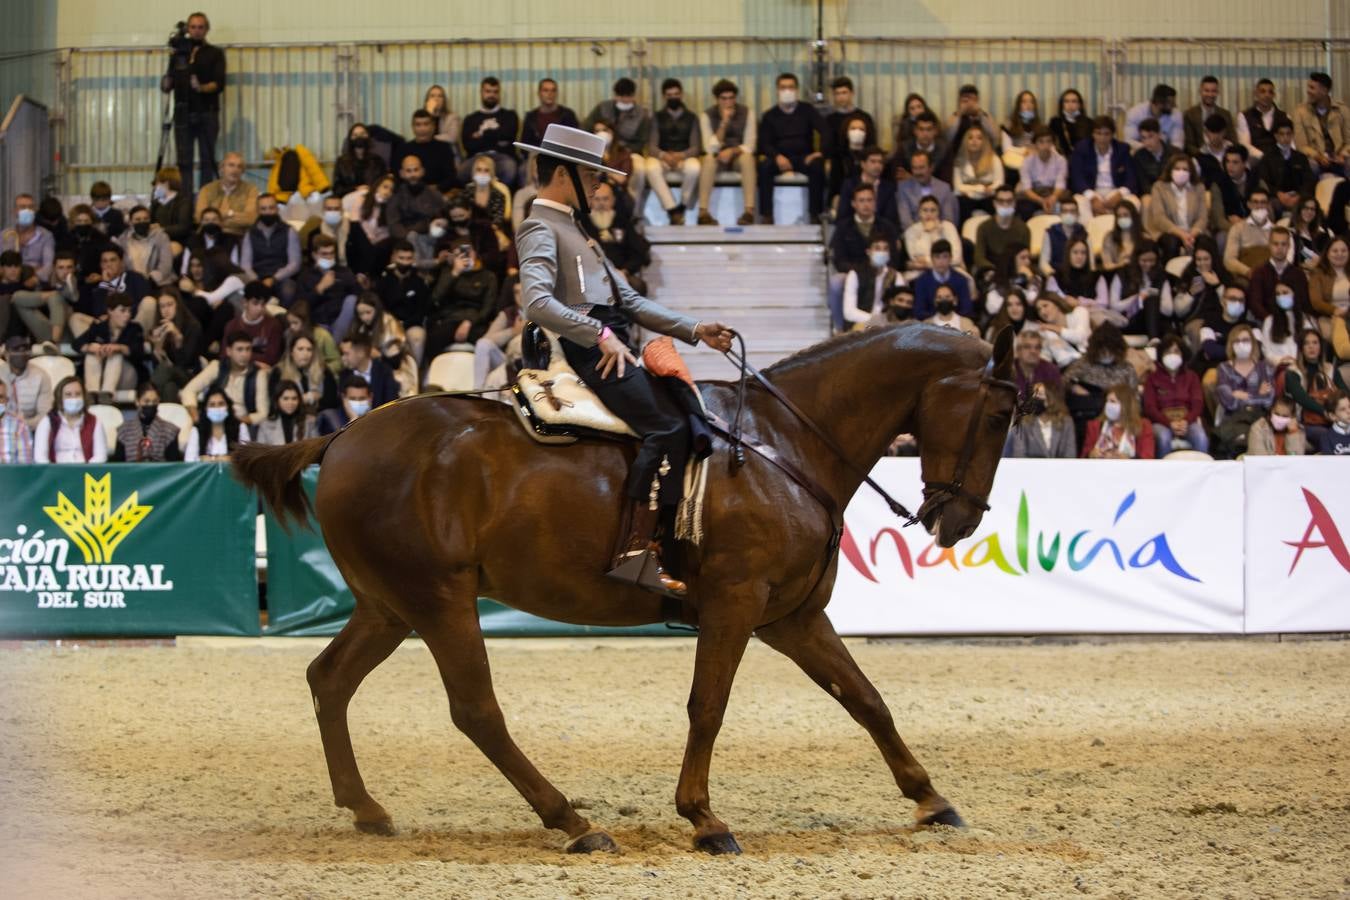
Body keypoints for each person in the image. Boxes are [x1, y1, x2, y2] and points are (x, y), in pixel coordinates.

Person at [513, 123, 734, 596]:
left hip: (612, 341)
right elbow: (535, 302)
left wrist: (695, 329)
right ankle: (636, 554)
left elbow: (629, 300)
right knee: (668, 427)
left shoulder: (577, 229)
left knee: (684, 411)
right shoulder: (540, 227)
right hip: (589, 349)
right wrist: (599, 333)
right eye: (592, 174)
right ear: (563, 174)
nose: (599, 183)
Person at [159, 12, 224, 191]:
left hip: (207, 111)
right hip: (182, 113)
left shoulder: (215, 53)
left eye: (200, 27)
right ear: (188, 28)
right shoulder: (178, 55)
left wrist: (201, 88)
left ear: (207, 29)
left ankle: (205, 200)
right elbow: (168, 84)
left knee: (207, 159)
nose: (196, 31)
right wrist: (166, 82)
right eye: (193, 27)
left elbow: (219, 83)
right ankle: (185, 201)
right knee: (184, 161)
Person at [756, 73, 828, 224]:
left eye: (790, 87)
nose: (787, 91)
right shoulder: (769, 115)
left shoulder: (807, 110)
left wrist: (819, 153)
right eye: (783, 87)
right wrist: (777, 156)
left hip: (804, 158)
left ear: (797, 90)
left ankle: (815, 214)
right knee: (764, 168)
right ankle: (767, 214)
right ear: (777, 90)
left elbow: (826, 130)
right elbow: (764, 143)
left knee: (817, 167)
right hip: (779, 158)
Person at [826, 184, 897, 331]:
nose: (866, 204)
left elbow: (895, 256)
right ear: (853, 203)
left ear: (875, 202)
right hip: (854, 272)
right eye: (862, 200)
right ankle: (841, 328)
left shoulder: (887, 226)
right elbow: (839, 260)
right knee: (836, 282)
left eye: (869, 200)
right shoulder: (843, 227)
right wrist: (861, 272)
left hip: (883, 271)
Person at [696, 79, 757, 227]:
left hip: (738, 156)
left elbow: (750, 145)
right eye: (724, 99)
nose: (728, 102)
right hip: (718, 157)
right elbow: (709, 148)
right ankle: (703, 212)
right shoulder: (707, 115)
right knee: (709, 159)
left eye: (731, 98)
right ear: (717, 99)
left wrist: (732, 150)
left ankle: (749, 211)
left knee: (748, 158)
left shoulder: (747, 113)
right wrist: (723, 123)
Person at [583, 78, 652, 203]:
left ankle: (632, 204)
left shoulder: (642, 115)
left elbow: (642, 141)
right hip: (601, 151)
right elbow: (585, 128)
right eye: (621, 96)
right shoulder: (602, 108)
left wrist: (625, 150)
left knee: (640, 169)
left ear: (633, 95)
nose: (624, 100)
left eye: (628, 96)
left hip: (629, 152)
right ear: (615, 95)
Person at [644, 79, 702, 226]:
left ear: (681, 95)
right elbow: (652, 146)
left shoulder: (692, 117)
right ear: (664, 97)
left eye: (676, 94)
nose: (673, 97)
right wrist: (664, 155)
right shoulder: (657, 117)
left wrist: (681, 155)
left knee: (694, 168)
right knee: (650, 168)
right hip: (662, 156)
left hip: (684, 156)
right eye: (669, 95)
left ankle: (682, 205)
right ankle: (672, 209)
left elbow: (696, 147)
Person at [182, 330, 270, 427]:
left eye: (248, 349)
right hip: (212, 419)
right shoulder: (217, 367)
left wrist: (236, 423)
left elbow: (263, 413)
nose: (244, 354)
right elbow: (188, 390)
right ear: (229, 351)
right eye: (240, 349)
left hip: (242, 423)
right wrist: (195, 415)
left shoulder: (258, 374)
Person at [72, 292, 146, 404]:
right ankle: (92, 394)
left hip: (126, 377)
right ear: (110, 311)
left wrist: (119, 347)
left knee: (115, 353)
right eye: (122, 310)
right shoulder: (99, 327)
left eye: (129, 311)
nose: (127, 315)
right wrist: (90, 348)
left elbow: (139, 352)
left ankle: (107, 395)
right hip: (100, 376)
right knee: (94, 349)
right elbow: (76, 344)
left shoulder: (134, 328)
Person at [1214, 324, 1276, 456]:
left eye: (1246, 340)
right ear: (1231, 345)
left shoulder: (1264, 367)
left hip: (1260, 419)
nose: (1241, 344)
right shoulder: (1224, 368)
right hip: (1233, 420)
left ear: (1253, 343)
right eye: (1237, 341)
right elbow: (1229, 402)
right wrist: (1257, 394)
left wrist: (1240, 395)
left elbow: (1268, 400)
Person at [1143, 335, 1208, 455]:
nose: (1172, 355)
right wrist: (1169, 423)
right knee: (1163, 437)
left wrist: (1186, 421)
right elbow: (1149, 407)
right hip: (1161, 423)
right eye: (1168, 352)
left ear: (1182, 354)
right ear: (1161, 355)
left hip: (1187, 422)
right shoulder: (1152, 378)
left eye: (1176, 351)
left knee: (1200, 436)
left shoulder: (1191, 377)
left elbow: (1198, 404)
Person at [1284, 328, 1346, 449]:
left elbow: (1344, 393)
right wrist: (1325, 412)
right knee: (1325, 435)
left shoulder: (1330, 369)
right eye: (1307, 343)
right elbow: (1302, 399)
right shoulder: (1292, 371)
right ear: (1301, 348)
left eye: (1315, 343)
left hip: (1335, 418)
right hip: (1306, 423)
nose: (1311, 347)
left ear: (1320, 346)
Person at [584, 181, 652, 292]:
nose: (601, 204)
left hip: (620, 274)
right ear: (589, 200)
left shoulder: (623, 222)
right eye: (597, 199)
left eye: (605, 199)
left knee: (638, 286)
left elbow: (638, 251)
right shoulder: (582, 222)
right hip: (590, 274)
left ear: (613, 200)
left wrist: (625, 271)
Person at [346, 293, 417, 397]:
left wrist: (379, 356)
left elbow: (395, 360)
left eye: (368, 312)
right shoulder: (360, 327)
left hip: (397, 369)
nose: (365, 317)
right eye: (361, 314)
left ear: (376, 309)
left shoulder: (389, 324)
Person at [1070, 116, 1140, 217]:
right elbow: (1077, 178)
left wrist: (1120, 194)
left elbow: (1131, 177)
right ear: (1092, 134)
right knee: (1080, 204)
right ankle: (1088, 231)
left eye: (1106, 134)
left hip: (1115, 190)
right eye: (1098, 133)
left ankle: (1123, 232)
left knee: (1134, 202)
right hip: (1090, 190)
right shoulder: (1082, 149)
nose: (1102, 138)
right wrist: (1092, 197)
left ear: (1112, 135)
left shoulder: (1122, 149)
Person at [239, 193, 301, 305]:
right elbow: (245, 265)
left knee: (289, 291)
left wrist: (274, 279)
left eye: (271, 208)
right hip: (256, 277)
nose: (267, 212)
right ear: (258, 211)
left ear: (277, 209)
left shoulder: (289, 231)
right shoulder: (250, 234)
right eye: (263, 209)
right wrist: (256, 280)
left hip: (281, 278)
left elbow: (295, 264)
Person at [459, 77, 520, 188]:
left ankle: (498, 196)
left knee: (510, 168)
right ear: (481, 92)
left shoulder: (509, 116)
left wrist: (480, 136)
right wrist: (498, 137)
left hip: (502, 157)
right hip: (476, 158)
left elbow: (509, 137)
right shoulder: (470, 118)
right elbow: (468, 146)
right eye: (488, 91)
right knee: (461, 172)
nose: (491, 95)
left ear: (499, 93)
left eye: (495, 92)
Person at [1145, 155, 1209, 260]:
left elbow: (1203, 217)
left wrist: (1191, 234)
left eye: (1185, 169)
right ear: (1170, 170)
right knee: (1171, 243)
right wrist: (1182, 234)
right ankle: (1169, 275)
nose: (1181, 172)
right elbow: (1159, 217)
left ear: (1191, 172)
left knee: (1205, 242)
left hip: (1192, 232)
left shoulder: (1199, 188)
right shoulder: (1159, 187)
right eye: (1177, 169)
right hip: (1169, 232)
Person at [33, 376, 107, 463]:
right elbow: (40, 457)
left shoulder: (94, 422)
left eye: (78, 394)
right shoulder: (47, 421)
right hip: (56, 473)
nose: (74, 398)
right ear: (60, 398)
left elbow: (100, 456)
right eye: (68, 395)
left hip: (86, 473)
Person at [147, 290, 203, 402]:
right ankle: (169, 419)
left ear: (178, 304)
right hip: (170, 377)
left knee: (167, 369)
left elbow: (187, 363)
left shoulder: (192, 326)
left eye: (170, 304)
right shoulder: (160, 327)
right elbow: (157, 367)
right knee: (169, 388)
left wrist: (178, 339)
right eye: (162, 306)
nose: (166, 310)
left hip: (189, 375)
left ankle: (148, 395)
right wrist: (157, 347)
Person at [1292, 72, 1349, 176]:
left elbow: (1348, 140)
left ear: (1324, 91)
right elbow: (1301, 145)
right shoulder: (1300, 112)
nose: (1308, 91)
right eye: (1308, 87)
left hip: (1339, 157)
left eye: (1312, 88)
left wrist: (1343, 154)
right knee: (1309, 165)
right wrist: (1317, 156)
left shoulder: (1342, 110)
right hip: (1316, 158)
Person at [1246, 228, 1309, 321]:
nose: (1279, 248)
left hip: (1294, 322)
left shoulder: (1298, 274)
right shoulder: (1259, 272)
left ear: (1289, 246)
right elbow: (1255, 304)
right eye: (1275, 244)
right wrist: (1270, 321)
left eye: (1283, 244)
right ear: (1269, 245)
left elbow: (1303, 302)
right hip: (1266, 321)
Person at [109, 382, 182, 462]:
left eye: (154, 401)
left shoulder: (170, 430)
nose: (151, 405)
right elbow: (118, 464)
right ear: (137, 401)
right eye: (146, 401)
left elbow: (174, 465)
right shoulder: (123, 431)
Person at [1257, 117, 1315, 216]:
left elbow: (1308, 181)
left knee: (1310, 205)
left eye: (1288, 134)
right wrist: (1279, 194)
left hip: (1298, 197)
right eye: (1282, 134)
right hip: (1277, 198)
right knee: (1273, 205)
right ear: (1276, 136)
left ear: (1292, 135)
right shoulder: (1267, 158)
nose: (1285, 138)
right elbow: (1264, 181)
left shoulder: (1301, 157)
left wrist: (1299, 196)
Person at [1005, 380, 1076, 458]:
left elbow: (1070, 454)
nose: (1035, 399)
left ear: (1051, 398)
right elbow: (1019, 454)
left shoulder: (1066, 422)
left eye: (1040, 395)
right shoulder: (1023, 422)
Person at [271, 331, 338, 413]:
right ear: (291, 352)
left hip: (319, 416)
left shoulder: (323, 370)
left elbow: (332, 401)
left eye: (309, 349)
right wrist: (309, 397)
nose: (305, 353)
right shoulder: (279, 371)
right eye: (300, 349)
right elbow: (274, 402)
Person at [841, 236, 901, 327]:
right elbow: (849, 312)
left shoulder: (895, 276)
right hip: (861, 324)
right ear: (868, 252)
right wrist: (874, 320)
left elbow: (900, 307)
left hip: (888, 326)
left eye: (885, 249)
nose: (882, 252)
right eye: (877, 248)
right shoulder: (855, 274)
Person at [194, 152, 258, 238]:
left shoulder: (251, 190)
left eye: (239, 167)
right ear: (221, 169)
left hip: (236, 236)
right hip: (208, 236)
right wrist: (231, 215)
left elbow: (250, 219)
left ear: (242, 171)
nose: (235, 170)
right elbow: (199, 217)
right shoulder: (207, 189)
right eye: (231, 165)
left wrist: (218, 218)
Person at [971, 186, 1029, 281]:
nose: (1005, 205)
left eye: (1009, 201)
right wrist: (993, 270)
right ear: (995, 203)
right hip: (991, 271)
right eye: (1001, 201)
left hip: (1014, 271)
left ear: (1014, 203)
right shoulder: (983, 228)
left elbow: (1024, 256)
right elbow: (979, 257)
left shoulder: (1023, 228)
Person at [1082, 385, 1155, 459]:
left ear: (1126, 405)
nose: (1108, 405)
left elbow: (1147, 458)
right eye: (1107, 401)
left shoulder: (1143, 426)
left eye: (1112, 401)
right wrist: (1091, 454)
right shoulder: (1094, 425)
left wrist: (1128, 459)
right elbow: (1083, 457)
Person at [223, 282, 285, 367]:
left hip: (261, 370)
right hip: (235, 369)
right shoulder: (232, 325)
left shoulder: (273, 326)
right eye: (255, 303)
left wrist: (239, 356)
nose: (259, 308)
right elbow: (225, 355)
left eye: (263, 304)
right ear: (245, 302)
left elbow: (271, 358)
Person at [399, 108, 460, 194]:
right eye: (418, 125)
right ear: (412, 127)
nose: (422, 129)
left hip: (438, 194)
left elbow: (451, 178)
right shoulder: (404, 149)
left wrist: (437, 188)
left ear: (433, 126)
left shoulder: (444, 148)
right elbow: (398, 178)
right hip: (410, 195)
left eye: (426, 124)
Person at [116, 204, 175, 292]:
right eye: (138, 219)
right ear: (130, 222)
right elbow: (122, 266)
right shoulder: (123, 240)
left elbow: (166, 264)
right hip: (132, 285)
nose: (142, 222)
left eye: (145, 219)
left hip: (157, 284)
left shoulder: (161, 236)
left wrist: (151, 279)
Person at [1046, 237, 1106, 323]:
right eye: (1075, 252)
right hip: (1066, 317)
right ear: (1068, 254)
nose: (1079, 256)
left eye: (1083, 253)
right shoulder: (1056, 277)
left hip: (1092, 316)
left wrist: (1080, 302)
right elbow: (1053, 300)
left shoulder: (1097, 276)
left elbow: (1104, 303)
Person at [385, 157, 445, 243]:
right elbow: (393, 224)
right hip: (404, 240)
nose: (413, 175)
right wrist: (408, 236)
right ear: (402, 173)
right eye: (408, 171)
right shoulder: (395, 195)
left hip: (430, 238)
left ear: (422, 171)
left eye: (416, 170)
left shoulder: (434, 194)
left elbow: (441, 218)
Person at [910, 239, 972, 320]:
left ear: (951, 258)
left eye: (945, 257)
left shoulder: (961, 280)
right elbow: (919, 311)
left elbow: (967, 309)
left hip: (956, 324)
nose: (941, 261)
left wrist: (952, 319)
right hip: (930, 324)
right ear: (932, 259)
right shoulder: (921, 281)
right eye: (937, 257)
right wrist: (939, 320)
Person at [1221, 188, 1276, 281]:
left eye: (1263, 202)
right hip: (1246, 277)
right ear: (1249, 205)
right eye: (1255, 202)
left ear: (1268, 205)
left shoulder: (1276, 230)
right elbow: (1228, 260)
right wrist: (1248, 272)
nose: (1259, 205)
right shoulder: (1237, 228)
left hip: (1271, 277)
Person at [951, 126, 1003, 222]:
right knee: (961, 203)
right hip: (967, 197)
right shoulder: (959, 161)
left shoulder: (994, 159)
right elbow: (957, 187)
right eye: (970, 138)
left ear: (984, 142)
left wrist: (990, 189)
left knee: (996, 202)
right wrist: (979, 188)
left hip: (988, 195)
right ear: (965, 141)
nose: (974, 141)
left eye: (979, 138)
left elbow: (999, 182)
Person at [895, 150, 958, 230]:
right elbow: (905, 221)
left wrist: (935, 230)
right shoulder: (903, 188)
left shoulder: (944, 188)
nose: (918, 172)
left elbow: (948, 219)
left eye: (921, 168)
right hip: (915, 235)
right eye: (915, 168)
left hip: (940, 233)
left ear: (931, 168)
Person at [0, 335, 51, 431]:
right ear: (6, 354)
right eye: (16, 350)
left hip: (31, 429)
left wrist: (23, 425)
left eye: (24, 349)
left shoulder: (41, 376)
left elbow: (45, 414)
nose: (21, 353)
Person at [1016, 126, 1068, 220]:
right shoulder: (1027, 162)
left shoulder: (1060, 160)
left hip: (1053, 192)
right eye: (1041, 142)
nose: (1045, 146)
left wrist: (1053, 198)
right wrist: (1041, 201)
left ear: (1053, 143)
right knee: (1024, 207)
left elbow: (1060, 184)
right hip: (1034, 193)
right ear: (1035, 144)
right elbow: (1027, 188)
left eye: (1049, 141)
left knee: (1067, 204)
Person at [185, 386, 250, 461]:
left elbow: (248, 458)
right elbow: (189, 461)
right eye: (212, 405)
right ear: (206, 408)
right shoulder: (197, 430)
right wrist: (202, 460)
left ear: (227, 406)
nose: (217, 408)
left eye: (221, 404)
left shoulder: (240, 427)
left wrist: (232, 459)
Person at [836, 147, 897, 225]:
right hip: (853, 231)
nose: (877, 166)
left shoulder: (888, 188)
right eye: (873, 161)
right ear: (863, 164)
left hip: (880, 233)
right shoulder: (850, 185)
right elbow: (843, 216)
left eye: (880, 162)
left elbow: (891, 218)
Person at [903, 195, 962, 276]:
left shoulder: (949, 227)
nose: (929, 214)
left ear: (938, 212)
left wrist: (926, 261)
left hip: (950, 270)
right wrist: (927, 232)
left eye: (933, 210)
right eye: (925, 210)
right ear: (919, 213)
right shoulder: (911, 231)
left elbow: (957, 258)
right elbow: (914, 258)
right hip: (921, 273)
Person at [2, 193, 55, 284]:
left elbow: (48, 266)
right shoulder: (5, 235)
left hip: (36, 283)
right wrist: (33, 268)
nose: (27, 210)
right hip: (8, 284)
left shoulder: (46, 236)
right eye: (22, 207)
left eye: (30, 207)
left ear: (35, 210)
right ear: (15, 211)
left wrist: (35, 278)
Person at [337, 332, 398, 408]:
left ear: (361, 353)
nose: (343, 358)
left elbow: (391, 403)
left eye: (346, 354)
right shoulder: (344, 375)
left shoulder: (384, 372)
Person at [984, 244, 1043, 319]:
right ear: (1011, 260)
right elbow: (991, 308)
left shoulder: (1035, 279)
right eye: (1023, 258)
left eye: (1029, 258)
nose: (1028, 262)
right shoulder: (998, 280)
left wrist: (1031, 279)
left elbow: (1034, 302)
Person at [889, 110, 949, 184]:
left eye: (929, 129)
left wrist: (912, 179)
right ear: (915, 131)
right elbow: (898, 176)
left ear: (935, 131)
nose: (925, 134)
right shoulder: (904, 148)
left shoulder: (945, 150)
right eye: (921, 129)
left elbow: (946, 182)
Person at [1183, 76, 1237, 157]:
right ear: (1200, 91)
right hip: (1200, 157)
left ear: (1218, 92)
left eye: (1213, 91)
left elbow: (1233, 140)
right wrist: (1202, 156)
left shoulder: (1225, 114)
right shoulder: (1190, 114)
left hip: (1223, 157)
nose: (1210, 94)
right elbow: (1189, 144)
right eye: (1206, 91)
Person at [1034, 293, 1091, 368]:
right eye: (1039, 310)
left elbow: (1079, 337)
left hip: (1089, 360)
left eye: (1045, 306)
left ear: (1057, 304)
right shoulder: (1046, 332)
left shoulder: (1079, 312)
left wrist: (1054, 328)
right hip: (1068, 369)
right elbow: (1045, 357)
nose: (1042, 312)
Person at [520, 77, 579, 148]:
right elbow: (524, 144)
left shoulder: (568, 115)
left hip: (561, 154)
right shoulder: (531, 117)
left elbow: (576, 140)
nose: (550, 94)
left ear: (557, 93)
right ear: (539, 93)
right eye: (545, 90)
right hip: (536, 155)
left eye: (553, 90)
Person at [255, 379, 315, 446]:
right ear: (277, 400)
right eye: (286, 398)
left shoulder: (309, 422)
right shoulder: (265, 424)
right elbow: (261, 454)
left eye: (294, 398)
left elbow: (317, 450)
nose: (290, 402)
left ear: (299, 400)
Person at [1037, 197, 1086, 276]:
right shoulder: (1050, 233)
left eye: (1072, 211)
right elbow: (1043, 263)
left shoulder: (1084, 233)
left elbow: (1091, 262)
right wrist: (1053, 276)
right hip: (1056, 276)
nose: (1068, 214)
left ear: (1078, 213)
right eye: (1065, 211)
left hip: (1079, 276)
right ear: (1060, 214)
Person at [1238, 78, 1283, 161]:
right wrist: (1263, 156)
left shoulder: (1284, 116)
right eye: (1262, 91)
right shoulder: (1244, 116)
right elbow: (1244, 145)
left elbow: (1289, 143)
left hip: (1279, 159)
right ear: (1256, 94)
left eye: (1270, 92)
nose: (1267, 95)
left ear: (1274, 95)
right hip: (1255, 160)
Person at [1009, 328, 1061, 397]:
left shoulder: (1051, 370)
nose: (1033, 351)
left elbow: (1057, 401)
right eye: (1027, 347)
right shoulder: (1009, 370)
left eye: (1037, 347)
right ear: (1018, 350)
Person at [1310, 236, 1350, 325]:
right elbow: (1316, 302)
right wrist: (1334, 310)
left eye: (1344, 251)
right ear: (1327, 254)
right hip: (1329, 317)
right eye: (1335, 251)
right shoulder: (1318, 273)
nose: (1340, 254)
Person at [945, 84, 998, 149]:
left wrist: (980, 114)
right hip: (959, 154)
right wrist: (960, 113)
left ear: (977, 100)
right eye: (965, 101)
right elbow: (948, 139)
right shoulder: (954, 117)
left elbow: (995, 138)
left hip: (983, 152)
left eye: (973, 100)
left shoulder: (984, 116)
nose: (969, 104)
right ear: (959, 101)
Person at [1131, 118, 1173, 195]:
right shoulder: (1139, 156)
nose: (1147, 142)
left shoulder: (1174, 153)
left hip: (1171, 193)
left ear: (1159, 135)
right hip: (1150, 194)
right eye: (1143, 138)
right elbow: (1143, 185)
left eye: (1150, 137)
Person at [1049, 89, 1093, 160]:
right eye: (1066, 101)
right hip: (1060, 161)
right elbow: (1050, 143)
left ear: (1079, 105)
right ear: (1062, 104)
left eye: (1074, 101)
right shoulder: (1055, 122)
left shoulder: (1089, 123)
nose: (1070, 104)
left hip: (1083, 161)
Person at [1100, 200, 1142, 274]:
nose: (1122, 219)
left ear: (1133, 216)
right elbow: (1107, 265)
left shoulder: (1144, 237)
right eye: (1119, 216)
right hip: (1117, 275)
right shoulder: (1109, 237)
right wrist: (1120, 265)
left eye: (1125, 215)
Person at [1290, 197, 1331, 269]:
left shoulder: (1323, 233)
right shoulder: (1291, 234)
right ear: (1299, 210)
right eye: (1305, 208)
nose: (1309, 212)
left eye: (1312, 209)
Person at [0, 377, 34, 463]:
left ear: (6, 401)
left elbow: (25, 465)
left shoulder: (19, 425)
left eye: (0, 397)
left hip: (10, 475)